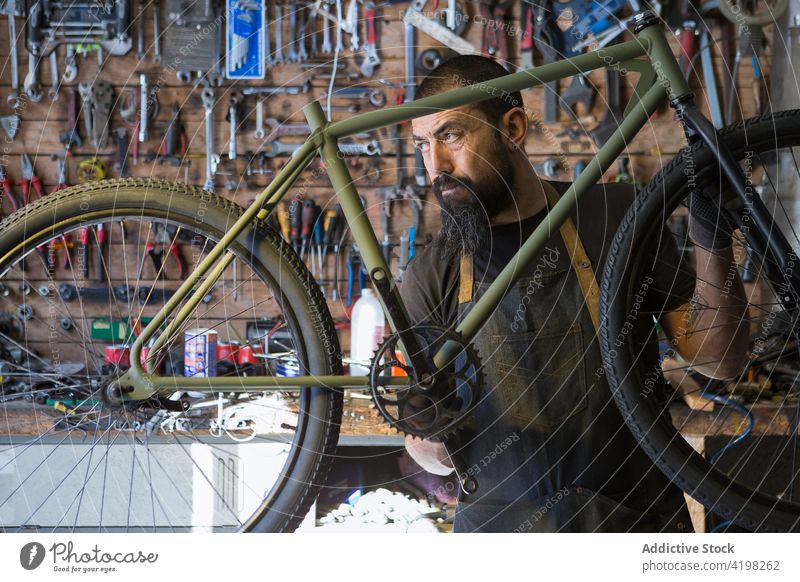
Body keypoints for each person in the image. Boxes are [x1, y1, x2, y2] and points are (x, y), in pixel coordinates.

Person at [399, 55, 749, 533]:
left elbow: (719, 360)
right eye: (422, 145)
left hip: (637, 525)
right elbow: (435, 461)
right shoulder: (430, 273)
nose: (435, 165)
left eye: (451, 136)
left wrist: (711, 233)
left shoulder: (616, 215)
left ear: (514, 127)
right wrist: (429, 431)